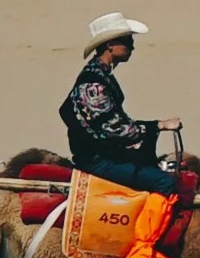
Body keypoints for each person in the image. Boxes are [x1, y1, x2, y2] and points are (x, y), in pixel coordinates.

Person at [60, 17, 180, 192]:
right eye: (127, 42)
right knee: (165, 182)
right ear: (110, 45)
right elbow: (115, 129)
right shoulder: (94, 84)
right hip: (97, 161)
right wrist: (159, 126)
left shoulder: (99, 74)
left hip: (103, 156)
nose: (131, 47)